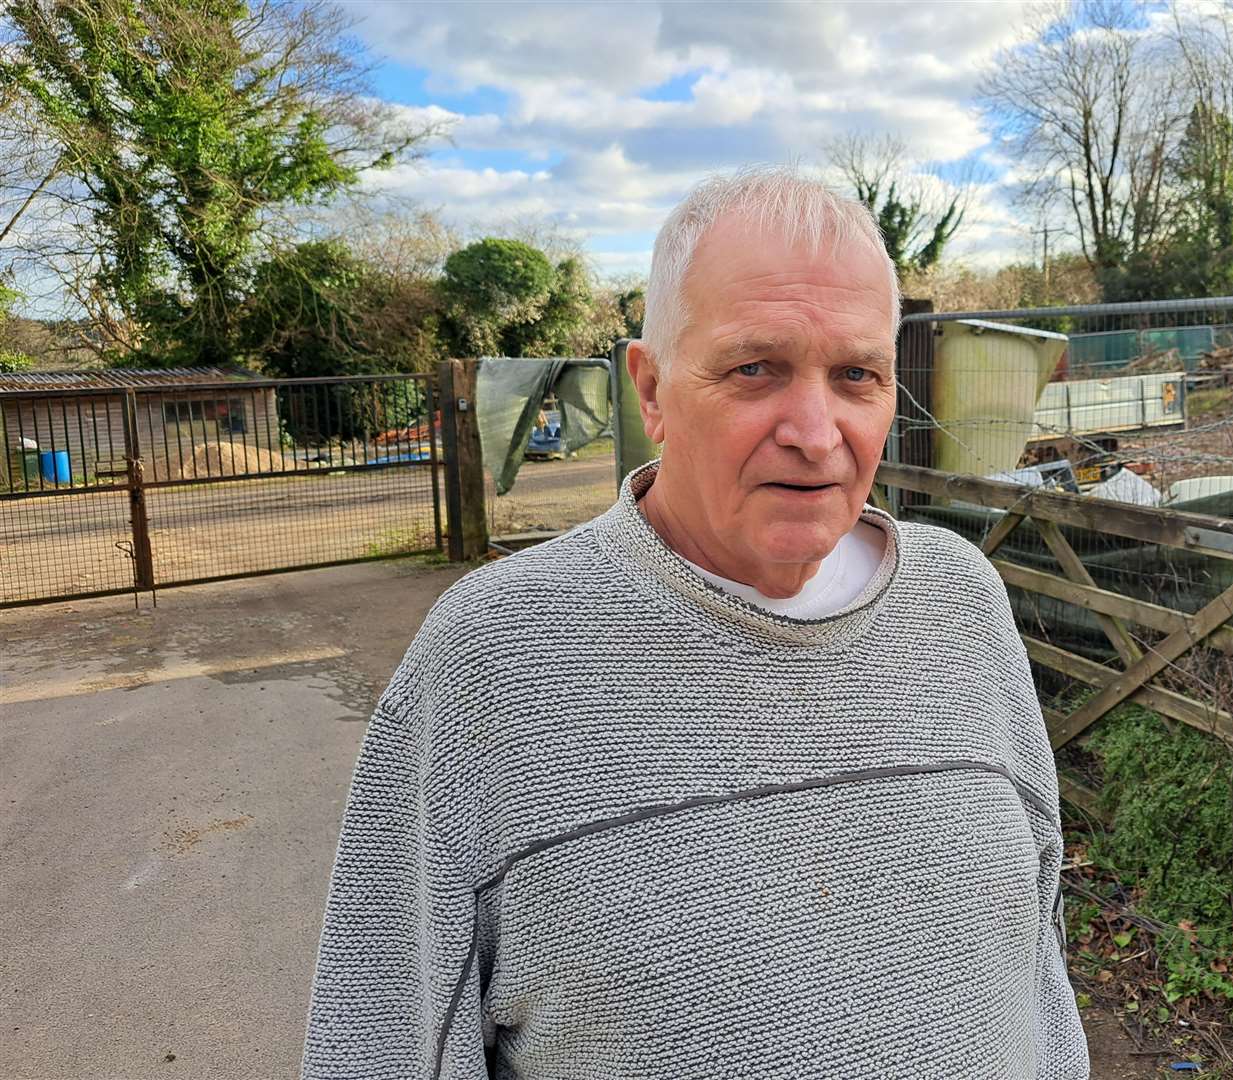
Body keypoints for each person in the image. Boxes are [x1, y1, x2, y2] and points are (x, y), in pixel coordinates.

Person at [301, 167, 1089, 1080]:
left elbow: (1037, 944)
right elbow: (385, 1039)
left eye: (856, 375)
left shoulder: (962, 601)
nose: (815, 430)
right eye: (756, 369)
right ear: (651, 389)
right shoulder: (493, 660)